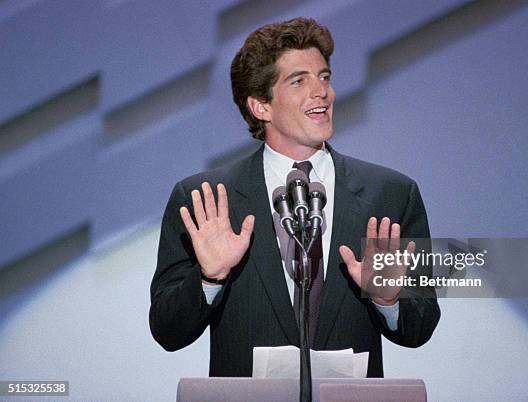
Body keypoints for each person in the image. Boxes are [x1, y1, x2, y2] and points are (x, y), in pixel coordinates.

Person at [149, 17, 440, 377]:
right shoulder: (203, 199)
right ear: (261, 106)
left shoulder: (392, 193)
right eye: (299, 80)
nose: (322, 92)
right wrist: (209, 278)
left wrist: (388, 300)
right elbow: (167, 331)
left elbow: (420, 328)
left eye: (324, 77)